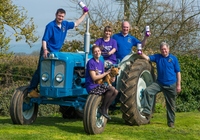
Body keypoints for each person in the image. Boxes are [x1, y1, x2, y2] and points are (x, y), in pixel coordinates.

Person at [27, 8, 88, 97]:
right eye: (59, 16)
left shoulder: (65, 25)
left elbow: (76, 23)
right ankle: (31, 89)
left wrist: (84, 14)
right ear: (56, 15)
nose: (60, 18)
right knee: (41, 69)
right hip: (48, 50)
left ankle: (54, 89)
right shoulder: (50, 26)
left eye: (62, 16)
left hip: (57, 52)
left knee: (57, 71)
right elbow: (44, 39)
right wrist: (45, 50)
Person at [139, 42, 181, 128]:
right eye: (162, 49)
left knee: (171, 105)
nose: (164, 51)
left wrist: (178, 85)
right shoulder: (158, 57)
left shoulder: (173, 59)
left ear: (168, 49)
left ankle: (171, 122)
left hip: (171, 85)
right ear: (160, 50)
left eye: (165, 49)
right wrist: (140, 52)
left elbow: (178, 72)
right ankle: (147, 111)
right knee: (148, 91)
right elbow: (147, 58)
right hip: (159, 83)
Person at [85, 45, 118, 120]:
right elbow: (94, 78)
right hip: (92, 85)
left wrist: (111, 79)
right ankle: (102, 108)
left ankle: (105, 108)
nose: (97, 53)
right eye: (95, 52)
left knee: (115, 92)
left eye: (98, 51)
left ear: (100, 52)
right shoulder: (91, 62)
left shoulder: (101, 63)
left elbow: (103, 78)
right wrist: (105, 73)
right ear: (93, 53)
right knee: (111, 89)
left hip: (99, 85)